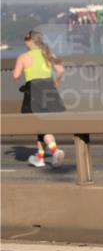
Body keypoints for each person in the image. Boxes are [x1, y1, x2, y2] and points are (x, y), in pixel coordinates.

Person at [13, 30, 66, 168]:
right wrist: (57, 81)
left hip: (34, 92)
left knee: (39, 125)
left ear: (30, 41)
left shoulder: (23, 56)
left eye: (26, 39)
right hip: (49, 90)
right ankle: (40, 158)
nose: (24, 42)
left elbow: (15, 75)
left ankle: (55, 151)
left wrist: (22, 68)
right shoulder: (48, 54)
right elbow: (60, 70)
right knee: (42, 125)